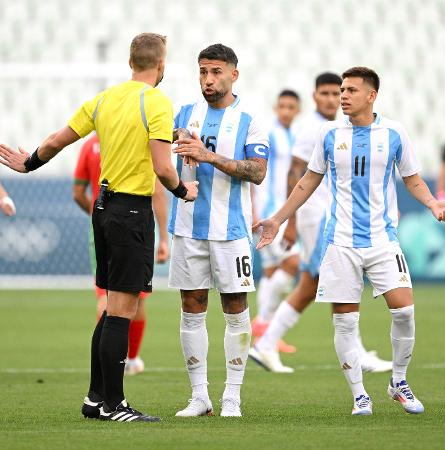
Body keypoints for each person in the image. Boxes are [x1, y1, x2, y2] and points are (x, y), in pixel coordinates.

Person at [0, 32, 198, 423]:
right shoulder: (157, 101)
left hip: (103, 208)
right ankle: (115, 404)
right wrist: (182, 190)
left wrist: (29, 164)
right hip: (132, 212)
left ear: (130, 63)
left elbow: (59, 139)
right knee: (123, 310)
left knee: (111, 308)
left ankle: (95, 399)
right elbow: (162, 168)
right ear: (161, 66)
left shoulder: (105, 99)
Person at [254, 66, 445, 416]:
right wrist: (279, 220)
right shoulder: (328, 134)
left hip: (382, 239)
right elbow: (307, 181)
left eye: (350, 90)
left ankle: (399, 382)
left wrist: (434, 202)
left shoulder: (394, 132)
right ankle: (360, 394)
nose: (343, 95)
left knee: (404, 310)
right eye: (341, 90)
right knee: (345, 321)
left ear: (371, 96)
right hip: (340, 241)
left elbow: (412, 178)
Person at [250, 72, 392, 374]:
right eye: (325, 93)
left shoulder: (341, 126)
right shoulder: (312, 130)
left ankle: (267, 344)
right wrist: (290, 222)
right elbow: (296, 174)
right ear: (315, 97)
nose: (331, 98)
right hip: (316, 217)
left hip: (332, 217)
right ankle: (353, 352)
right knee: (330, 282)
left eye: (334, 93)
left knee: (315, 283)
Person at [169, 43, 269, 418]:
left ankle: (232, 396)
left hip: (231, 230)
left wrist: (209, 156)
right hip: (188, 227)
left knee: (235, 308)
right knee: (191, 307)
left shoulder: (250, 119)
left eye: (215, 73)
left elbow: (257, 171)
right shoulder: (183, 114)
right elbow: (165, 163)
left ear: (233, 75)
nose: (208, 80)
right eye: (202, 72)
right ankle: (200, 397)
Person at [73, 133, 170, 375]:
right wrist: (164, 238)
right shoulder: (137, 142)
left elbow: (77, 193)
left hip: (102, 224)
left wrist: (99, 216)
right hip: (135, 221)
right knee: (133, 296)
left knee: (106, 295)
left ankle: (108, 366)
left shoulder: (89, 146)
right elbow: (157, 192)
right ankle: (130, 360)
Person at [251, 89, 301, 354]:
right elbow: (255, 172)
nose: (286, 111)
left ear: (298, 110)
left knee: (271, 272)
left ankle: (264, 329)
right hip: (269, 213)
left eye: (291, 107)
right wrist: (254, 209)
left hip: (281, 211)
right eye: (282, 106)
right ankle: (264, 325)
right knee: (293, 262)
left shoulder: (294, 137)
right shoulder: (270, 136)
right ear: (275, 107)